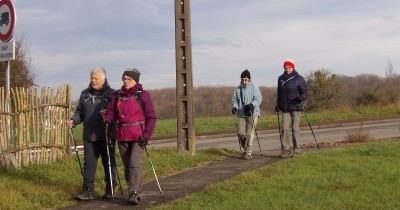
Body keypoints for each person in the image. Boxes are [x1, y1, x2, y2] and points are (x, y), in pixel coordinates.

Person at [103, 68, 157, 205]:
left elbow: (151, 117)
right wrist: (107, 119)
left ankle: (134, 193)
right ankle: (132, 189)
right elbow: (110, 111)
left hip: (138, 136)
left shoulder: (143, 95)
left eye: (129, 79)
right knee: (127, 165)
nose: (126, 81)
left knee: (134, 163)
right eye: (124, 79)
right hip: (122, 135)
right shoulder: (117, 95)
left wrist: (146, 135)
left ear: (135, 81)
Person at [67, 67, 117, 200]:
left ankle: (110, 188)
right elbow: (79, 113)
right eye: (92, 78)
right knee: (89, 164)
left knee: (109, 163)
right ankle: (87, 190)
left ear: (103, 79)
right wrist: (73, 121)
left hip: (106, 135)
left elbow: (116, 114)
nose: (93, 81)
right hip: (89, 136)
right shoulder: (84, 94)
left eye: (96, 78)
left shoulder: (112, 94)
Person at [275, 59, 308, 158]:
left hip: (296, 107)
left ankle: (297, 149)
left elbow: (305, 93)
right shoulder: (280, 78)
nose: (287, 69)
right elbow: (279, 94)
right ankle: (286, 149)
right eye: (285, 67)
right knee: (284, 128)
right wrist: (277, 104)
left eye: (289, 67)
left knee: (295, 128)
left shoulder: (299, 78)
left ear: (293, 67)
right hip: (284, 108)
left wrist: (301, 98)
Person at [231, 69, 262, 160]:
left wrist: (252, 105)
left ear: (249, 79)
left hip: (253, 113)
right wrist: (234, 107)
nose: (244, 81)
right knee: (240, 132)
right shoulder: (237, 89)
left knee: (249, 133)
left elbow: (258, 99)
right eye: (243, 79)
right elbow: (235, 100)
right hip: (241, 113)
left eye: (246, 80)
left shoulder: (254, 87)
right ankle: (246, 148)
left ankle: (248, 151)